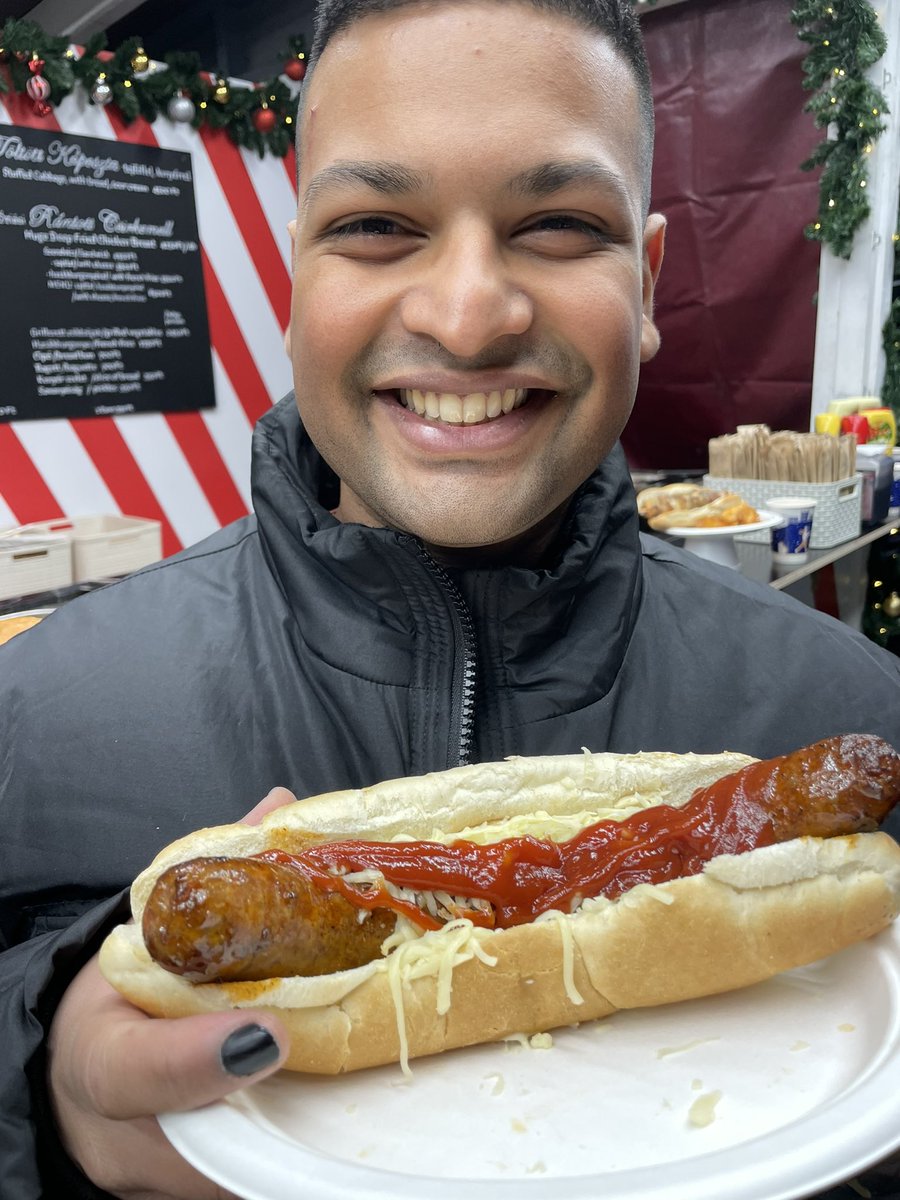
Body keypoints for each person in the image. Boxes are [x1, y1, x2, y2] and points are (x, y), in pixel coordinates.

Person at [2, 0, 899, 1195]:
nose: (468, 314)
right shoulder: (34, 712)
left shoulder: (852, 698)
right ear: (294, 275)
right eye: (377, 224)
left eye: (561, 224)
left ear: (645, 282)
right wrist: (42, 1094)